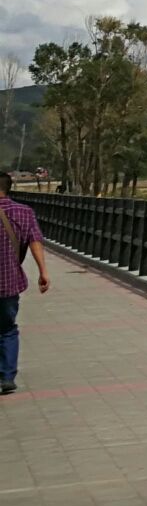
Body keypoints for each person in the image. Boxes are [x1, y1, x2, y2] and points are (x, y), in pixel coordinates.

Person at [0, 170, 52, 396]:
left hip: (8, 281)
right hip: (8, 281)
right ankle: (7, 376)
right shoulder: (24, 212)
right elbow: (35, 242)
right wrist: (43, 272)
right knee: (7, 329)